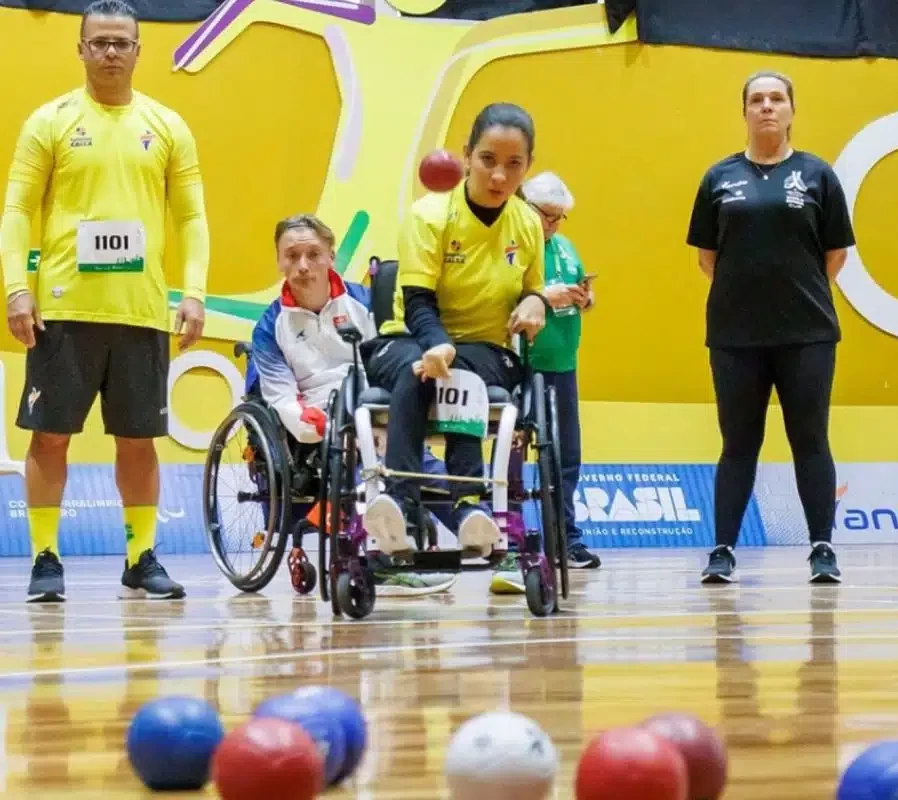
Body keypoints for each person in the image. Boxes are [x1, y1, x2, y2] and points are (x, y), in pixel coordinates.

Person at [2, 0, 208, 602]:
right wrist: (18, 287)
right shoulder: (50, 121)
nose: (111, 52)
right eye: (100, 42)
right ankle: (45, 557)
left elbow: (192, 217)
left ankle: (141, 556)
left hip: (140, 311)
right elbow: (16, 210)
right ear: (81, 49)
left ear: (139, 51)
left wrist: (192, 292)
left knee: (139, 441)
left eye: (122, 42)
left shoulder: (169, 126)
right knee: (50, 439)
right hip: (63, 309)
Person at [363, 102, 547, 592]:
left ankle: (469, 508)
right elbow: (418, 300)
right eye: (488, 159)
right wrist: (437, 346)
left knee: (459, 371)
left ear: (527, 166)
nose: (499, 174)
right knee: (421, 370)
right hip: (408, 336)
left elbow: (532, 289)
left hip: (485, 348)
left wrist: (536, 303)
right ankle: (401, 507)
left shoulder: (528, 224)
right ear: (466, 156)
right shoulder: (428, 216)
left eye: (514, 164)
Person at [686, 70, 855, 585]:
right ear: (744, 111)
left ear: (790, 110)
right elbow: (707, 258)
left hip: (807, 333)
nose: (766, 107)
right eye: (756, 99)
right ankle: (722, 551)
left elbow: (834, 255)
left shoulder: (818, 175)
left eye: (776, 98)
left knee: (811, 439)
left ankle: (822, 550)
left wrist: (791, 295)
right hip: (736, 337)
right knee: (738, 443)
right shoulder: (718, 178)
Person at [250, 214, 456, 596]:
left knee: (416, 460)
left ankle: (488, 538)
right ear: (279, 260)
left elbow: (396, 355)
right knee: (363, 446)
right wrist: (308, 420)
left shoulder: (365, 302)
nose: (302, 265)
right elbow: (277, 394)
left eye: (313, 254)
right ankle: (386, 556)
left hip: (377, 404)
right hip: (318, 422)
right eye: (291, 256)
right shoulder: (270, 325)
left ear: (331, 256)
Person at [521, 171, 601, 571]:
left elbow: (579, 289)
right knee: (515, 457)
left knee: (567, 457)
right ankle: (515, 538)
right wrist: (543, 297)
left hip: (563, 365)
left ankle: (566, 539)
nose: (552, 225)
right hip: (523, 366)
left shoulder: (565, 246)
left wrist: (585, 298)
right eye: (546, 216)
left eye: (558, 217)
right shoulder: (513, 247)